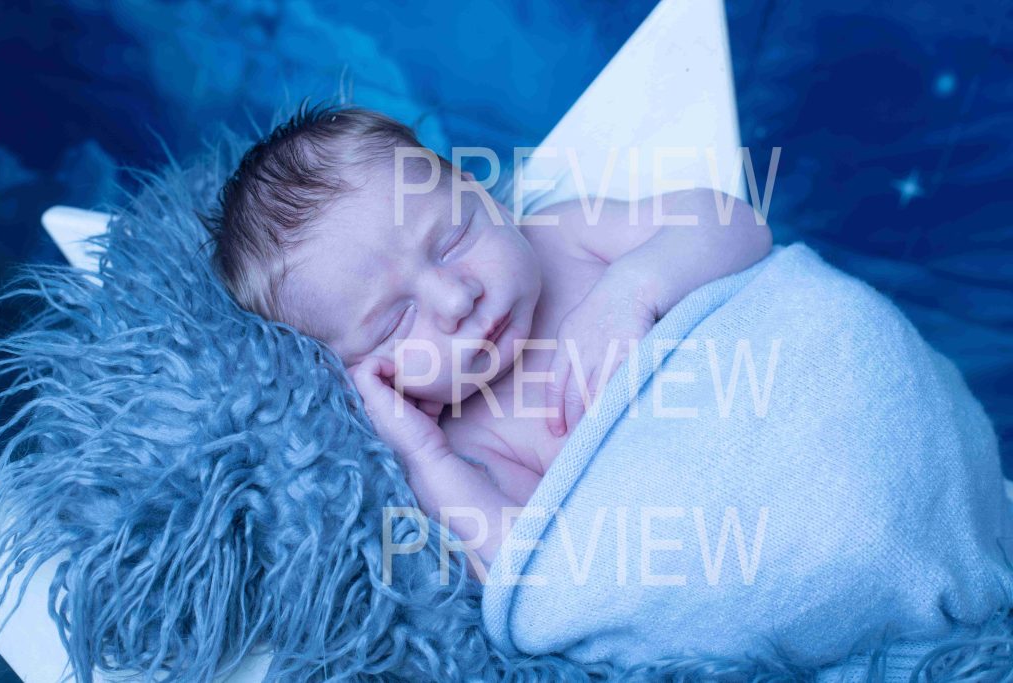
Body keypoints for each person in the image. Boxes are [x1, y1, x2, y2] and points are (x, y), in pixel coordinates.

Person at [210, 103, 771, 580]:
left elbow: (738, 224)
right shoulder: (473, 445)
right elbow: (542, 576)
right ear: (364, 377)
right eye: (395, 322)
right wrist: (425, 459)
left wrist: (631, 291)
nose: (457, 299)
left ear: (486, 197)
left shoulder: (563, 236)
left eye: (454, 238)